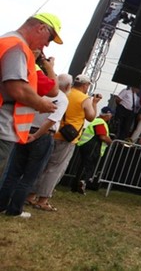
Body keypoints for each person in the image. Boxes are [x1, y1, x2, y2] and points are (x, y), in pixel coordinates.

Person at [0, 13, 61, 182]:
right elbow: (17, 88)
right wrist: (40, 103)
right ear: (41, 28)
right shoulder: (17, 47)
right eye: (49, 38)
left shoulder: (8, 41)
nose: (46, 45)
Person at [0, 73, 70, 218]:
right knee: (30, 176)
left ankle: (2, 204)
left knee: (13, 173)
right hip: (42, 135)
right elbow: (52, 120)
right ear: (68, 86)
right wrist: (37, 135)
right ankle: (15, 209)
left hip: (25, 130)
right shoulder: (62, 99)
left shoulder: (36, 91)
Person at [30, 74, 101, 212]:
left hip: (51, 131)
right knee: (55, 169)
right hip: (68, 137)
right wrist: (94, 103)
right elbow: (91, 117)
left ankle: (30, 195)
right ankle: (43, 199)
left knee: (42, 165)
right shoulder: (84, 98)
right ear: (85, 85)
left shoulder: (63, 94)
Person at [71, 106, 113, 194]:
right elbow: (102, 136)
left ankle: (76, 185)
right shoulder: (100, 122)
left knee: (84, 165)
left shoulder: (96, 120)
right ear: (108, 115)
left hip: (86, 144)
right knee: (88, 167)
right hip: (92, 146)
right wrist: (110, 141)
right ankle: (82, 182)